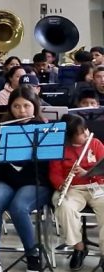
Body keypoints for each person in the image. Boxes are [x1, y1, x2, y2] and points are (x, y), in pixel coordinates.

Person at [0, 86, 50, 272]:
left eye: (26, 106)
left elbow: (47, 162)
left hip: (36, 182)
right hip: (8, 181)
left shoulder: (45, 130)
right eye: (16, 106)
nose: (22, 111)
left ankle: (32, 254)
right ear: (10, 108)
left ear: (35, 106)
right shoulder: (3, 129)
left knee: (18, 207)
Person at [50, 113, 104, 270]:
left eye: (85, 129)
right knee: (64, 207)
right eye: (80, 133)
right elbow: (54, 174)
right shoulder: (59, 148)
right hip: (72, 189)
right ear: (69, 136)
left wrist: (88, 173)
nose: (86, 134)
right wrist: (62, 186)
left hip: (97, 186)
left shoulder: (95, 143)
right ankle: (79, 248)